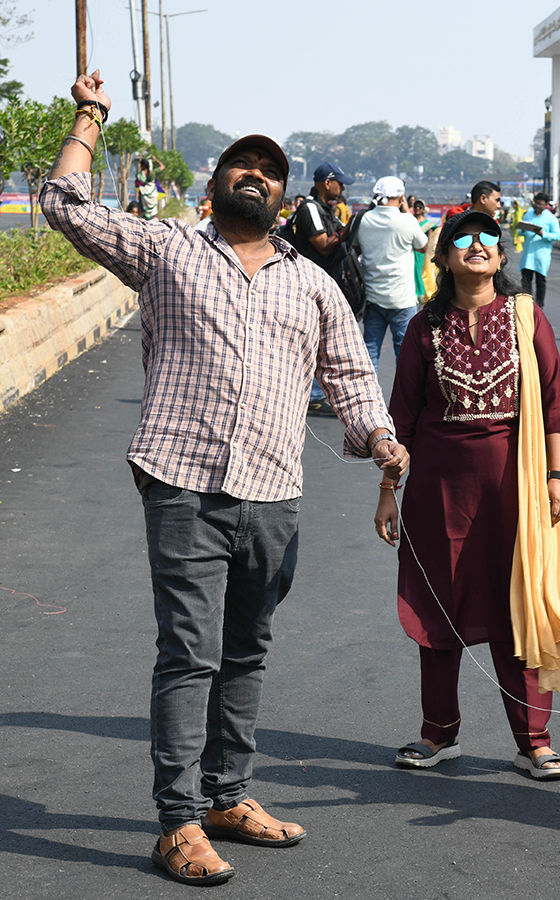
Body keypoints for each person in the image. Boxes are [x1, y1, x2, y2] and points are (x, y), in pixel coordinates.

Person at [42, 69, 407, 887]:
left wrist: (381, 439)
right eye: (242, 163)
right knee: (189, 653)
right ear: (214, 185)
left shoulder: (312, 284)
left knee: (247, 651)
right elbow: (64, 205)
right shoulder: (166, 248)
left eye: (269, 169)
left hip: (274, 492)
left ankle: (227, 796)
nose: (256, 174)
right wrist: (91, 118)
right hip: (183, 483)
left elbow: (350, 377)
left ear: (282, 194)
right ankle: (175, 822)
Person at [374, 210, 560, 778]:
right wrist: (386, 490)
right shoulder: (424, 330)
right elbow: (401, 418)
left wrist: (558, 478)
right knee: (437, 609)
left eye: (489, 240)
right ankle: (438, 734)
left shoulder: (526, 318)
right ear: (444, 257)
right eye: (463, 239)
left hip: (514, 491)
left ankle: (536, 742)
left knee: (517, 609)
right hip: (437, 492)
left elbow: (555, 407)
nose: (478, 245)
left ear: (501, 259)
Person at [287, 161, 356, 416]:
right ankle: (313, 396)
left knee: (320, 341)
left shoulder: (328, 210)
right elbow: (324, 245)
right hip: (307, 286)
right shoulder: (310, 208)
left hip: (321, 284)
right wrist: (349, 229)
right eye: (340, 183)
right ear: (327, 183)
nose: (342, 189)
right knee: (313, 342)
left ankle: (315, 394)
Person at [355, 176, 428, 372]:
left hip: (372, 297)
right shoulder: (407, 221)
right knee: (405, 354)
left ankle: (369, 400)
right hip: (402, 299)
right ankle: (404, 400)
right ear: (402, 197)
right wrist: (406, 212)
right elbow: (423, 247)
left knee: (370, 350)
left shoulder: (363, 219)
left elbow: (355, 248)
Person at [518, 192, 560, 307]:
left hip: (541, 254)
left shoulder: (551, 218)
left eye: (541, 204)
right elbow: (520, 230)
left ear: (546, 205)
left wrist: (543, 234)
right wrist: (522, 229)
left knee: (540, 281)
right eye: (536, 203)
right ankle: (526, 304)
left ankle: (539, 305)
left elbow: (557, 235)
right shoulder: (528, 214)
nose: (538, 206)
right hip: (528, 253)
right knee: (526, 280)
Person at [411, 199, 439, 300]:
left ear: (423, 209)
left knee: (422, 273)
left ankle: (422, 294)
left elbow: (431, 241)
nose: (417, 209)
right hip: (411, 253)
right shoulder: (410, 221)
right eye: (415, 206)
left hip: (422, 253)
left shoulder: (428, 225)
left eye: (420, 207)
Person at [135, 155, 164, 220]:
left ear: (142, 166)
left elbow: (137, 184)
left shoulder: (139, 175)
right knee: (153, 212)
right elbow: (162, 166)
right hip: (153, 195)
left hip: (144, 198)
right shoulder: (153, 172)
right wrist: (155, 159)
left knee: (144, 214)